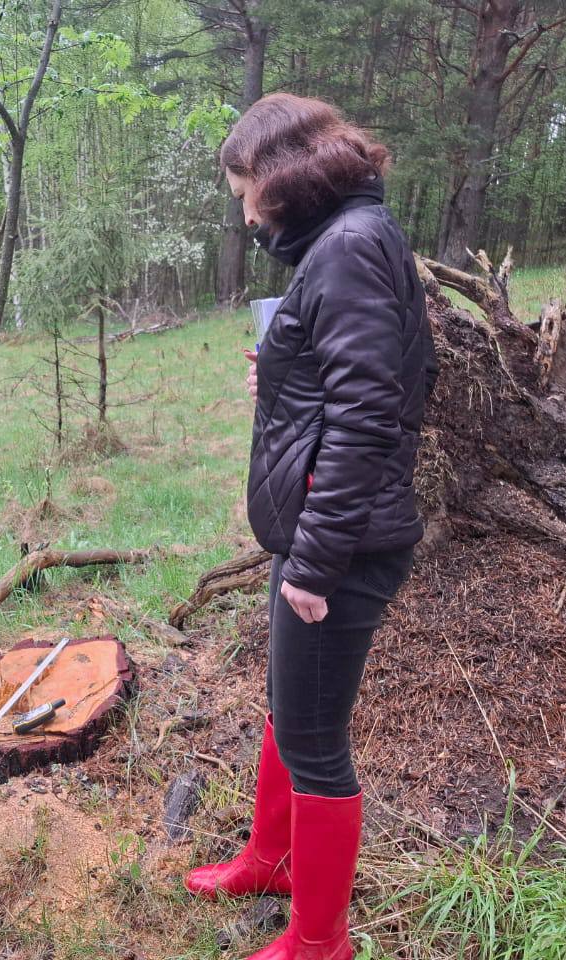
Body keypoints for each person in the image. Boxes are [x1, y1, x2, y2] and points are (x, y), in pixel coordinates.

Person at [184, 94, 439, 960]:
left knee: (314, 739)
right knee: (291, 710)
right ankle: (271, 858)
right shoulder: (349, 240)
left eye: (244, 190)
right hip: (323, 533)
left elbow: (372, 417)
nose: (243, 209)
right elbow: (383, 375)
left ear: (280, 176)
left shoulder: (347, 250)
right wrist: (286, 380)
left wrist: (316, 565)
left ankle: (319, 941)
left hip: (346, 544)